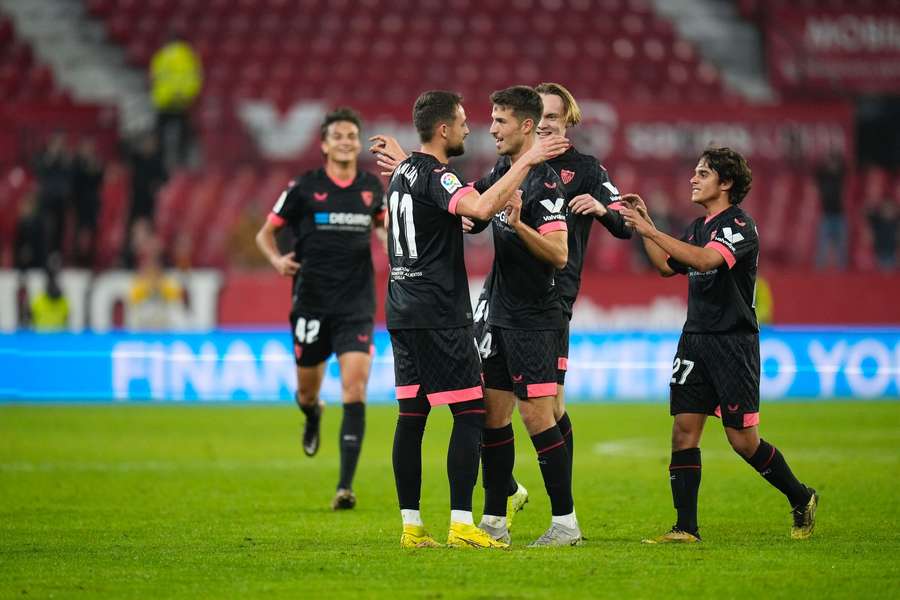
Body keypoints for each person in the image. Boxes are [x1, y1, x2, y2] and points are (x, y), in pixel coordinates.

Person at [377, 90, 567, 549]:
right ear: (443, 129)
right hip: (439, 313)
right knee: (470, 413)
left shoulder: (404, 172)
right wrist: (530, 160)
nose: (471, 128)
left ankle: (412, 527)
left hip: (400, 308)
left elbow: (437, 199)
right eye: (463, 122)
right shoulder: (437, 175)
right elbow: (479, 209)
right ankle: (463, 525)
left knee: (412, 415)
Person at [617, 147, 818, 542]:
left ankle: (800, 496)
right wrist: (645, 223)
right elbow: (664, 266)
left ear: (725, 183)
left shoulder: (739, 226)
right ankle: (685, 528)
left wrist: (652, 231)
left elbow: (708, 262)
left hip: (733, 344)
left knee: (743, 441)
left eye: (703, 173)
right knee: (683, 431)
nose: (693, 178)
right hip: (695, 340)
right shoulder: (696, 227)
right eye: (694, 171)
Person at [474, 83, 632, 525]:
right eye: (539, 116)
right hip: (502, 294)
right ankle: (508, 498)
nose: (545, 124)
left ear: (568, 123)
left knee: (546, 407)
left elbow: (624, 223)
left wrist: (603, 211)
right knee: (496, 403)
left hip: (552, 297)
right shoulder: (510, 166)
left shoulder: (583, 170)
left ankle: (563, 511)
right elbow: (476, 207)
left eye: (553, 118)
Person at [455, 86, 579, 547]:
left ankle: (566, 523)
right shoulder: (502, 171)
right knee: (493, 415)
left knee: (537, 417)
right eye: (490, 119)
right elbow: (474, 210)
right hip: (501, 316)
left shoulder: (544, 183)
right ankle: (495, 521)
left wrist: (521, 225)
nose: (491, 128)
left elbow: (561, 254)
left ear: (526, 126)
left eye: (500, 121)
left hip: (535, 318)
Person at [256, 108, 387, 511]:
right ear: (325, 144)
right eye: (339, 136)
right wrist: (278, 261)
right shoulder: (303, 188)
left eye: (352, 135)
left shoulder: (370, 187)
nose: (347, 141)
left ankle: (345, 486)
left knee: (355, 387)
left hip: (356, 305)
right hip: (311, 303)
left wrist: (392, 246)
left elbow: (382, 227)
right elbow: (266, 233)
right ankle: (312, 414)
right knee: (307, 391)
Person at [150, 30, 202, 169]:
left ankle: (158, 164)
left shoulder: (160, 56)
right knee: (184, 134)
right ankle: (183, 163)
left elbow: (154, 78)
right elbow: (195, 78)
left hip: (164, 101)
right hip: (181, 101)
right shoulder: (189, 56)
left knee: (160, 135)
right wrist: (187, 95)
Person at [71, 138, 104, 268]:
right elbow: (76, 183)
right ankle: (78, 260)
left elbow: (99, 181)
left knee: (93, 233)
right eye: (85, 147)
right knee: (80, 234)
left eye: (90, 147)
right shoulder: (76, 164)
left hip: (93, 205)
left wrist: (95, 169)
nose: (88, 150)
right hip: (80, 205)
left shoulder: (96, 164)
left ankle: (92, 260)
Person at [814, 151, 847, 270]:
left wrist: (837, 162)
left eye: (834, 162)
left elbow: (845, 166)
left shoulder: (840, 176)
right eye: (830, 162)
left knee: (841, 247)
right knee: (822, 246)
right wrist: (825, 161)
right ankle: (819, 272)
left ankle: (842, 272)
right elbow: (816, 170)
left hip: (839, 215)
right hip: (826, 216)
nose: (832, 165)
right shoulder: (824, 177)